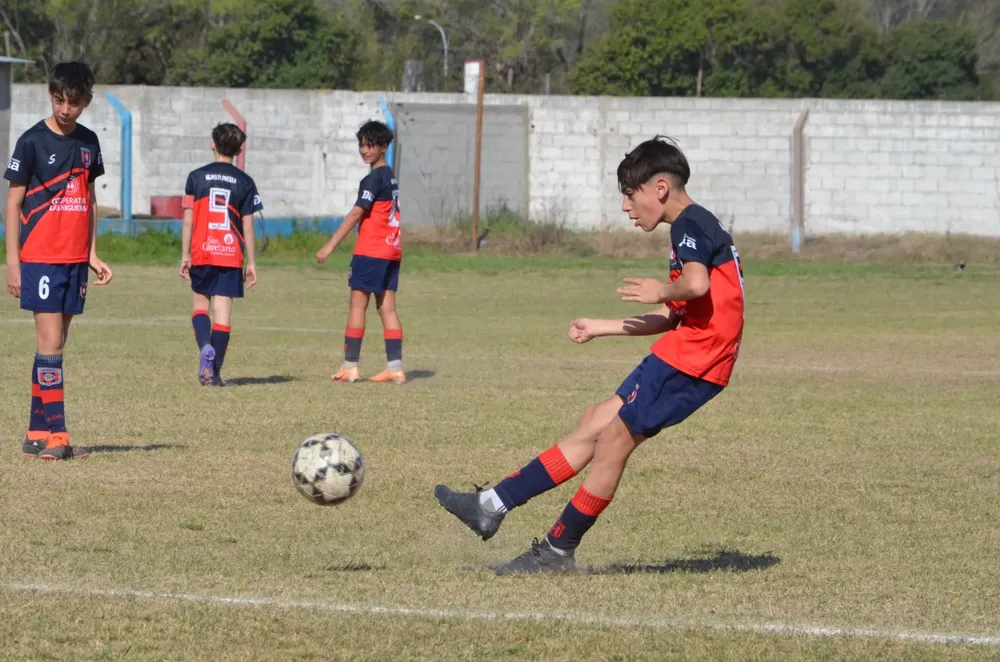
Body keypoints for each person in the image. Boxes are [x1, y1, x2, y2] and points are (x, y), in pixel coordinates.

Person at [434, 136, 746, 574]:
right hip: (682, 350)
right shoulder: (695, 226)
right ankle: (490, 504)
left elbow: (694, 286)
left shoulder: (690, 224)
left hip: (696, 361)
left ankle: (557, 551)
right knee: (594, 422)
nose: (625, 208)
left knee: (613, 442)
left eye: (629, 194)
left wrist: (662, 288)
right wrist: (604, 326)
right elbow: (673, 312)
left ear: (659, 188)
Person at [4, 61, 113, 460]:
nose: (66, 109)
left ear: (87, 101)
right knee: (50, 346)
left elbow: (90, 200)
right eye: (59, 100)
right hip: (41, 258)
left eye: (75, 102)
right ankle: (59, 438)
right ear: (51, 95)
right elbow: (13, 201)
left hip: (73, 258)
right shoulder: (31, 141)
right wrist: (12, 262)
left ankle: (36, 433)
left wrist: (92, 253)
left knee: (55, 344)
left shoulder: (88, 143)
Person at [317, 120, 404, 385]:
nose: (365, 150)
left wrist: (330, 245)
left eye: (371, 145)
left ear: (384, 147)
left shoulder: (373, 178)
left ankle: (350, 366)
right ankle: (395, 368)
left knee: (358, 305)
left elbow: (357, 212)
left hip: (372, 251)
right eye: (362, 145)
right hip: (392, 250)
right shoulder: (390, 176)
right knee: (387, 309)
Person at [179, 123, 262, 386]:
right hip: (229, 254)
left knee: (200, 306)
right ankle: (213, 375)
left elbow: (187, 220)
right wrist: (251, 261)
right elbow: (248, 225)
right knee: (223, 314)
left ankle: (205, 345)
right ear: (239, 150)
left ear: (212, 144)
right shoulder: (245, 182)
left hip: (202, 252)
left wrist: (185, 256)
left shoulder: (196, 177)